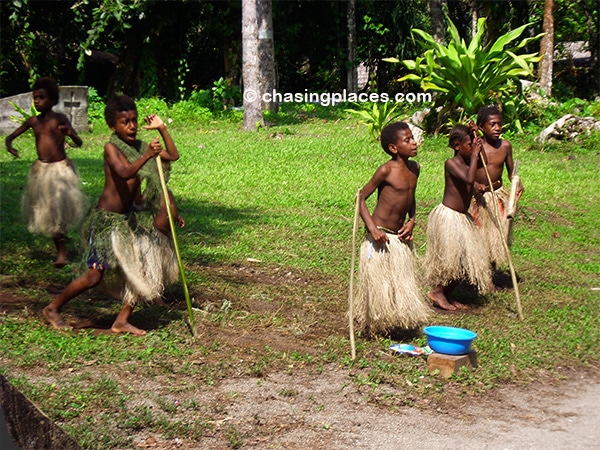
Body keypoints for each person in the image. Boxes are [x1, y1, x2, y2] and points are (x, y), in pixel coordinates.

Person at [43, 95, 183, 336]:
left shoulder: (138, 146)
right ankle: (53, 308)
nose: (132, 126)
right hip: (105, 223)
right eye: (125, 122)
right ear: (112, 126)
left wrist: (162, 128)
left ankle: (121, 321)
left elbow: (173, 155)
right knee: (93, 277)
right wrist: (146, 155)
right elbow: (124, 172)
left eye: (134, 120)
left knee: (139, 270)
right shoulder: (111, 148)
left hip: (127, 221)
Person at [354, 122, 430, 334]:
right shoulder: (386, 170)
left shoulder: (415, 168)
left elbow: (410, 196)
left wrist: (412, 220)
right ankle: (372, 322)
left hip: (399, 236)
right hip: (380, 234)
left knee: (400, 280)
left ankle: (394, 323)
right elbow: (360, 198)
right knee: (380, 284)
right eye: (407, 140)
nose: (414, 143)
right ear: (393, 148)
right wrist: (372, 229)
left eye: (412, 138)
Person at [5, 77, 87, 267]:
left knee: (59, 212)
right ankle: (61, 250)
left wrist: (70, 133)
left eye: (41, 97)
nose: (37, 101)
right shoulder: (33, 121)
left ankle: (63, 253)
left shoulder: (60, 119)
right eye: (35, 97)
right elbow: (10, 137)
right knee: (50, 213)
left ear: (52, 100)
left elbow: (79, 142)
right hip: (42, 172)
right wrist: (10, 146)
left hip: (60, 171)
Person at [425, 124, 493, 311]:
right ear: (457, 145)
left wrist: (477, 138)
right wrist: (473, 157)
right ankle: (438, 292)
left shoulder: (469, 162)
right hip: (449, 217)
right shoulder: (452, 163)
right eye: (470, 144)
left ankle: (447, 294)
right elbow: (469, 179)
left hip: (463, 218)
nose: (474, 149)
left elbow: (484, 163)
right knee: (456, 261)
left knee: (467, 262)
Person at [470, 106, 523, 270]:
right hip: (478, 197)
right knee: (478, 234)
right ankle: (478, 270)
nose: (497, 128)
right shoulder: (474, 147)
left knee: (496, 234)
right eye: (492, 124)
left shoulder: (505, 146)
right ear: (480, 127)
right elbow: (465, 172)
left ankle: (491, 271)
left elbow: (511, 170)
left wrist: (517, 182)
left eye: (499, 124)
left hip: (497, 195)